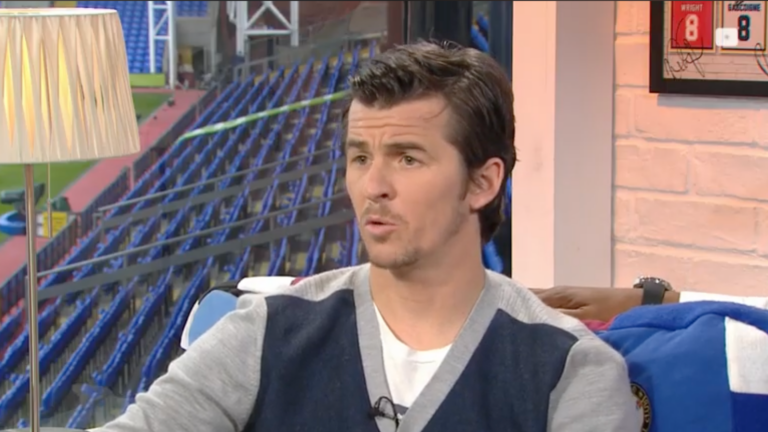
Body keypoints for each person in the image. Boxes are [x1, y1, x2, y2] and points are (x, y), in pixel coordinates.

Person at [95, 41, 639, 432]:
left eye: (407, 158)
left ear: (482, 182)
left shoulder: (570, 371)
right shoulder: (266, 331)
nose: (373, 186)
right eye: (360, 157)